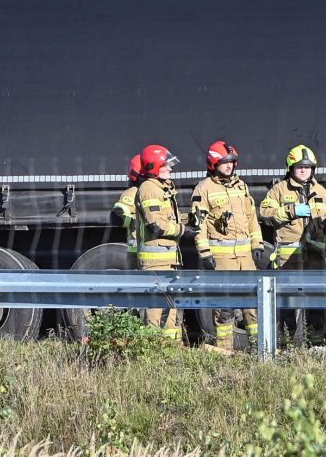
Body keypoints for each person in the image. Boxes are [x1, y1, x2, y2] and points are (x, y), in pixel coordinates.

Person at [191, 140, 265, 351]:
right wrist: (205, 253)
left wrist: (257, 243)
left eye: (232, 162)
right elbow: (199, 225)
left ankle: (259, 350)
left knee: (253, 307)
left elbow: (252, 218)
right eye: (224, 163)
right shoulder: (204, 189)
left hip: (245, 259)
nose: (229, 166)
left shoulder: (242, 186)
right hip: (221, 259)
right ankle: (225, 351)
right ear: (213, 164)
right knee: (224, 308)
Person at [261, 144, 326, 269]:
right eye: (300, 167)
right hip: (288, 262)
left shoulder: (321, 192)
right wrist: (291, 211)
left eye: (307, 167)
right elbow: (264, 213)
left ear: (313, 169)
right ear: (291, 168)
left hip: (315, 261)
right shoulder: (279, 190)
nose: (303, 170)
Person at [134, 144, 184, 344]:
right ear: (154, 167)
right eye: (166, 166)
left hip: (169, 259)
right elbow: (156, 225)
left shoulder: (163, 188)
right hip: (156, 261)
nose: (170, 170)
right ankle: (153, 351)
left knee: (170, 310)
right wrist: (182, 230)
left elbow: (167, 219)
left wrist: (190, 220)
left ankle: (170, 351)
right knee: (155, 310)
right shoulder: (149, 188)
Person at [111, 154, 143, 269]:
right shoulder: (133, 193)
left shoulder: (163, 191)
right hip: (139, 254)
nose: (169, 169)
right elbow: (117, 217)